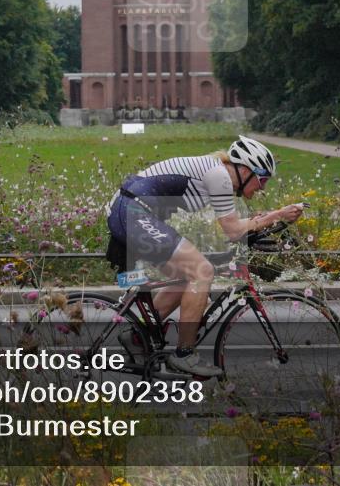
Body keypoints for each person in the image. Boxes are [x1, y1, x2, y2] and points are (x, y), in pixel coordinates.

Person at [104, 135, 305, 377]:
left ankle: (139, 336)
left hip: (133, 210)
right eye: (262, 179)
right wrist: (278, 215)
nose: (262, 187)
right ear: (244, 170)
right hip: (134, 211)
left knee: (186, 276)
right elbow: (232, 229)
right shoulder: (219, 175)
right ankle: (184, 355)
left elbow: (230, 229)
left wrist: (260, 225)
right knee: (202, 271)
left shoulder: (217, 176)